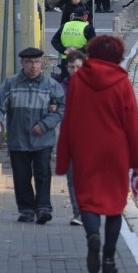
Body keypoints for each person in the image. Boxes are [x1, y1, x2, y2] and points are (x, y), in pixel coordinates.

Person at [56, 36, 138, 273]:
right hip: (116, 151)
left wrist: (63, 160)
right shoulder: (122, 82)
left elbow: (68, 122)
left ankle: (93, 235)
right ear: (118, 56)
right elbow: (133, 125)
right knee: (115, 205)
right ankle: (108, 259)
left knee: (88, 201)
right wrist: (137, 162)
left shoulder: (78, 81)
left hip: (85, 149)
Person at [0, 47, 65, 224]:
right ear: (22, 63)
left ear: (41, 63)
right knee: (21, 176)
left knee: (43, 174)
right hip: (18, 139)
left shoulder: (51, 85)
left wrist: (45, 124)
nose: (34, 66)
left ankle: (43, 208)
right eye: (29, 62)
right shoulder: (11, 84)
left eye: (37, 62)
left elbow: (61, 108)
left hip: (43, 140)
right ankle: (27, 209)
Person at [59, 50, 85, 226]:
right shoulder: (61, 88)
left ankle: (88, 209)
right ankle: (78, 212)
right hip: (69, 139)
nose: (74, 71)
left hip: (90, 140)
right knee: (72, 177)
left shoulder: (92, 86)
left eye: (78, 67)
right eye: (71, 67)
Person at [51, 6, 96, 80]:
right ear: (85, 17)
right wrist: (79, 51)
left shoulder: (65, 26)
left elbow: (54, 41)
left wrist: (64, 50)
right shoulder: (88, 28)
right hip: (82, 61)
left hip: (66, 60)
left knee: (66, 84)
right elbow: (93, 44)